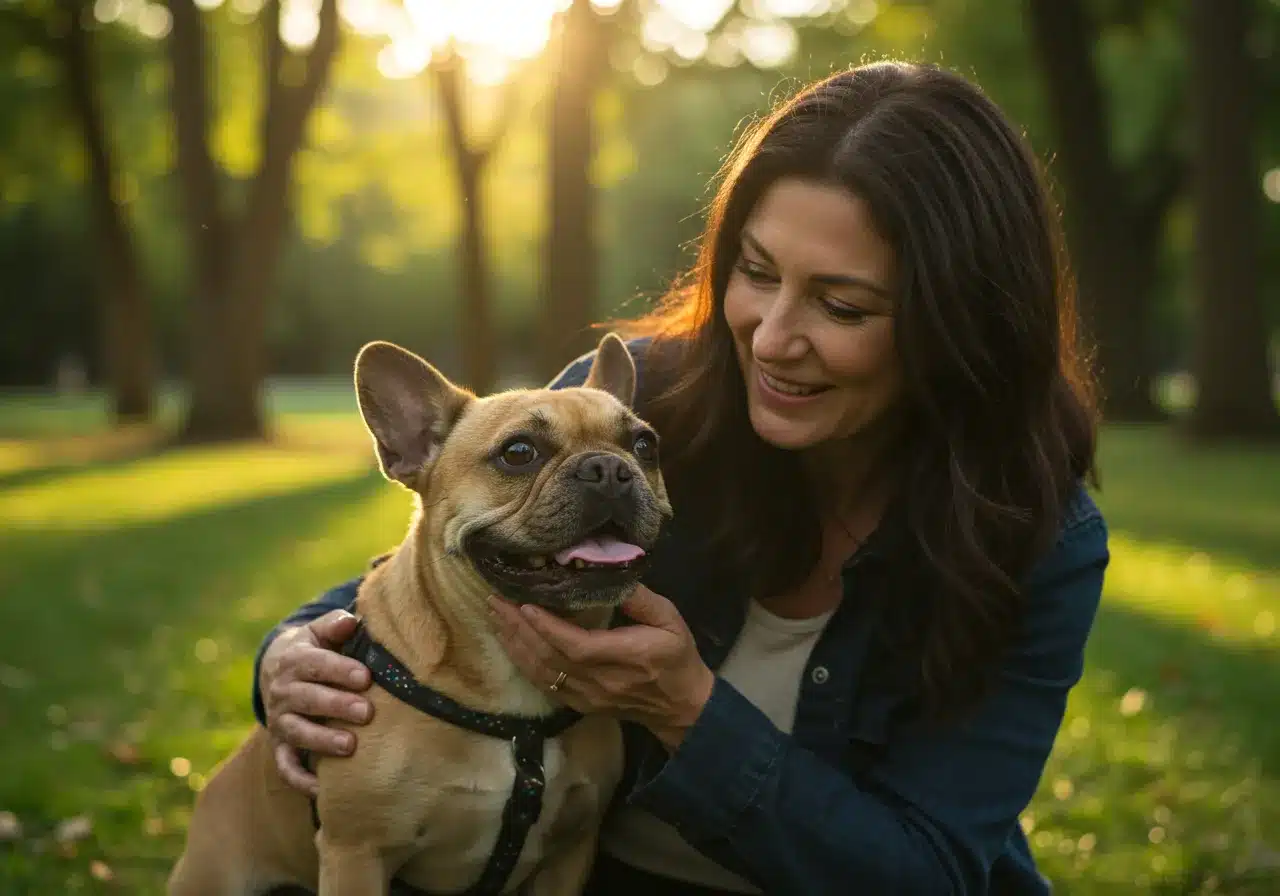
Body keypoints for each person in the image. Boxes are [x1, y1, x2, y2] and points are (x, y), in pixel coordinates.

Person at [252, 60, 1109, 895]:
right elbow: (440, 566)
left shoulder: (1035, 535)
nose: (772, 336)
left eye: (841, 306)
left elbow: (929, 871)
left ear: (961, 322)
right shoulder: (638, 402)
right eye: (757, 272)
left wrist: (691, 713)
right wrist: (288, 652)